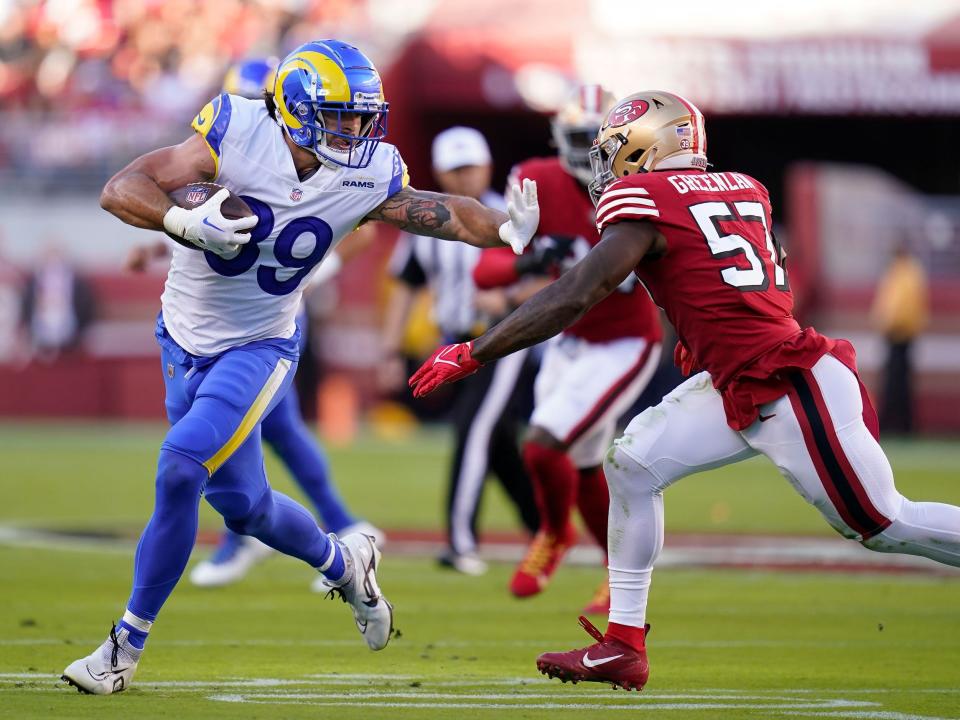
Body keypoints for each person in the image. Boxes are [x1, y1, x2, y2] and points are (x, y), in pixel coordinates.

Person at [409, 90, 960, 692]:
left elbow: (576, 292)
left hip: (787, 380)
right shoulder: (744, 186)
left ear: (651, 145)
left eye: (616, 150)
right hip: (740, 379)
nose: (606, 166)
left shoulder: (643, 196)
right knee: (632, 464)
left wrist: (474, 351)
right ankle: (623, 644)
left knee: (882, 523)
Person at [62, 39, 539, 695]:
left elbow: (444, 212)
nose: (355, 129)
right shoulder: (234, 129)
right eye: (340, 115)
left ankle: (123, 647)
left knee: (179, 469)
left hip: (260, 344)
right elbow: (123, 188)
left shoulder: (370, 171)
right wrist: (181, 220)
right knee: (244, 506)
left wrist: (505, 228)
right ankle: (344, 562)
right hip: (181, 337)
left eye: (362, 115)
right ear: (293, 107)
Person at [471, 86, 663, 612]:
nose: (594, 152)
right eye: (584, 139)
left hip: (625, 340)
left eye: (604, 140)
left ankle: (554, 534)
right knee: (576, 465)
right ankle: (611, 567)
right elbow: (484, 269)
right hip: (570, 338)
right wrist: (527, 259)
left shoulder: (645, 185)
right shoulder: (538, 180)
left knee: (544, 443)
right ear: (561, 137)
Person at [381, 126, 540, 576]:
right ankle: (544, 527)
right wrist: (391, 349)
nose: (464, 177)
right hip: (452, 341)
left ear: (487, 166)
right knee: (499, 442)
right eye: (455, 169)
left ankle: (460, 541)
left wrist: (510, 299)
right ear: (441, 174)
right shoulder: (427, 223)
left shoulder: (513, 216)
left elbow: (556, 273)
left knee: (473, 429)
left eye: (470, 167)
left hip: (502, 337)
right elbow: (406, 285)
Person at [870, 242, 929, 435]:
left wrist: (884, 323)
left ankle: (896, 424)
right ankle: (902, 423)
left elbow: (895, 306)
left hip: (898, 334)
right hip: (903, 333)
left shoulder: (902, 273)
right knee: (899, 381)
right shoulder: (910, 272)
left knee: (895, 382)